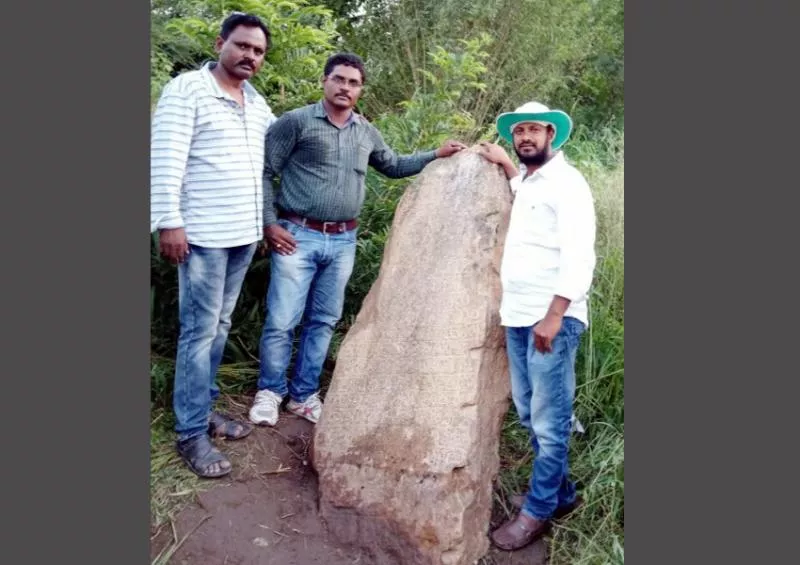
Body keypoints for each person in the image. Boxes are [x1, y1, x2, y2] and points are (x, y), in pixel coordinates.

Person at [248, 52, 466, 427]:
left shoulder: (365, 131)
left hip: (343, 240)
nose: (345, 87)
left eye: (353, 82)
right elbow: (265, 172)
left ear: (360, 89)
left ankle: (303, 396)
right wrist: (270, 224)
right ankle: (270, 392)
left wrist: (437, 154)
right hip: (296, 236)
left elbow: (393, 165)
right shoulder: (296, 123)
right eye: (339, 79)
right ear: (325, 81)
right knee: (283, 319)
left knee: (323, 321)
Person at [150, 12, 276, 478]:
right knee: (199, 332)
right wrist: (169, 222)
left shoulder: (257, 104)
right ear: (221, 42)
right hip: (200, 236)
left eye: (259, 51)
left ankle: (203, 412)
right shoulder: (187, 90)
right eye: (243, 45)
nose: (250, 56)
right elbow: (165, 158)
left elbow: (271, 160)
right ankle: (189, 434)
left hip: (242, 235)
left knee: (218, 326)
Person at [476, 101, 596, 550]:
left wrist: (556, 313)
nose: (524, 137)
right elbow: (522, 190)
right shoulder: (528, 180)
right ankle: (563, 494)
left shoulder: (568, 183)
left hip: (551, 320)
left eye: (533, 130)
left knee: (549, 421)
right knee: (529, 411)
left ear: (551, 133)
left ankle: (537, 511)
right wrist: (507, 165)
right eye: (518, 131)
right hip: (518, 314)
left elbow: (580, 254)